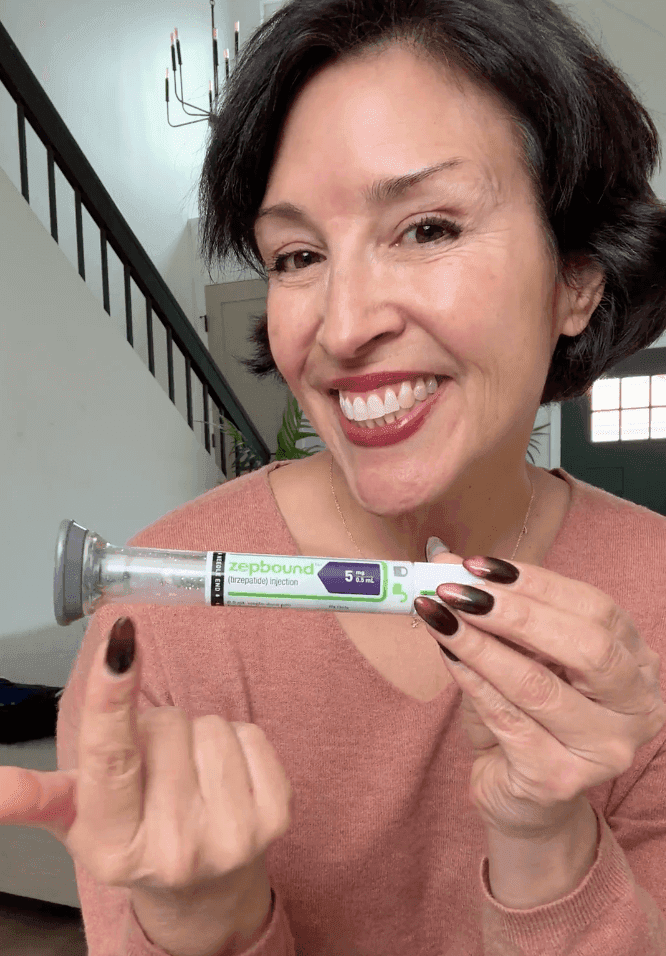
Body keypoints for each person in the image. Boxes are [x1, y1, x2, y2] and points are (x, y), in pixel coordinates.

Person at [2, 0, 666, 953]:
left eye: (427, 229)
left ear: (578, 280)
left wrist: (548, 841)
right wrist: (205, 920)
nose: (343, 327)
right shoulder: (156, 630)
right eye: (298, 256)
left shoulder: (655, 600)